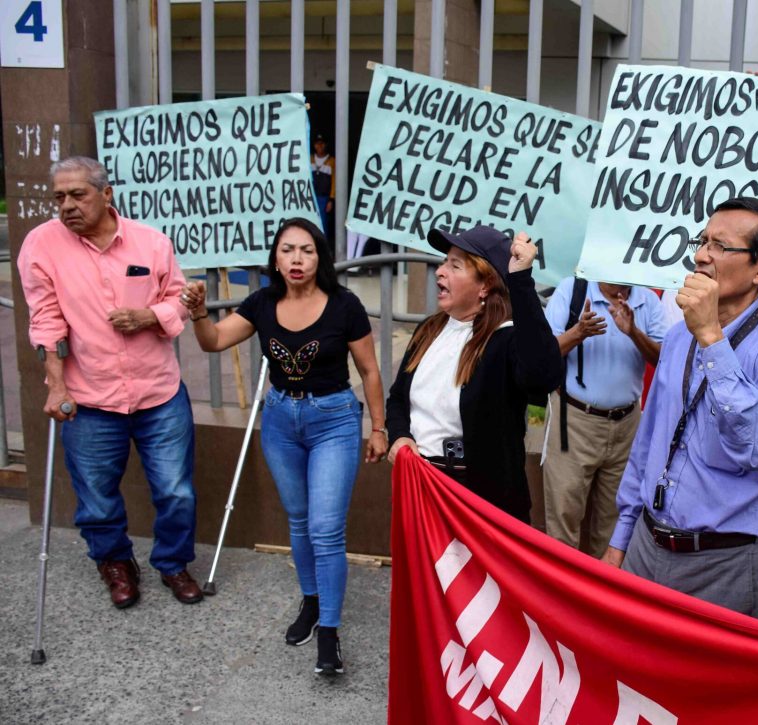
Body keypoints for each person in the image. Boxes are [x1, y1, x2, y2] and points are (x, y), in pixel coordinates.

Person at [182, 217, 387, 677]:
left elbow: (370, 371)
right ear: (275, 257)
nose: (297, 259)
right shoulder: (261, 302)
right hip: (278, 420)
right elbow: (213, 341)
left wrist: (378, 427)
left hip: (333, 419)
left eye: (307, 250)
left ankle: (330, 633)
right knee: (299, 520)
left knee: (326, 528)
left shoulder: (344, 305)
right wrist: (198, 312)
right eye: (288, 250)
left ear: (320, 258)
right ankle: (311, 603)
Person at [602, 197, 758, 622]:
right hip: (646, 545)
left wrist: (713, 339)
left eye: (720, 246)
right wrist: (621, 539)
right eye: (702, 241)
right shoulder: (679, 337)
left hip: (722, 567)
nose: (700, 255)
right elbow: (650, 442)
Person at [17, 156, 202, 609]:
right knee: (96, 499)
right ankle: (116, 563)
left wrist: (148, 315)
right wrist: (56, 387)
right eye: (59, 197)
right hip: (90, 397)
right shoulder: (40, 246)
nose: (67, 206)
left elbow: (179, 300)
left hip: (158, 392)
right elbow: (46, 322)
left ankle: (173, 563)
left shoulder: (151, 243)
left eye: (78, 194)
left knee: (176, 491)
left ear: (106, 193)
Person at [385, 226, 561, 523]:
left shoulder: (504, 341)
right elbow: (398, 398)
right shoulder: (428, 330)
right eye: (444, 262)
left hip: (480, 502)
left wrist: (520, 279)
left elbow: (543, 374)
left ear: (484, 286)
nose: (440, 271)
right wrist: (400, 436)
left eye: (455, 265)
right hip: (421, 488)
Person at [543, 278, 665, 556]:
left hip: (626, 426)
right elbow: (543, 352)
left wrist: (633, 331)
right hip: (574, 422)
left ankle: (601, 596)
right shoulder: (571, 291)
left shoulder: (648, 300)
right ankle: (561, 596)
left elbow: (664, 358)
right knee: (563, 516)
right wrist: (578, 333)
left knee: (616, 525)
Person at [311, 134, 335, 241]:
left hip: (324, 198)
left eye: (321, 144)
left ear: (325, 145)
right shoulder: (310, 158)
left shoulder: (332, 161)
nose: (319, 147)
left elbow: (335, 181)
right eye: (317, 144)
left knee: (323, 225)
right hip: (311, 197)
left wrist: (331, 199)